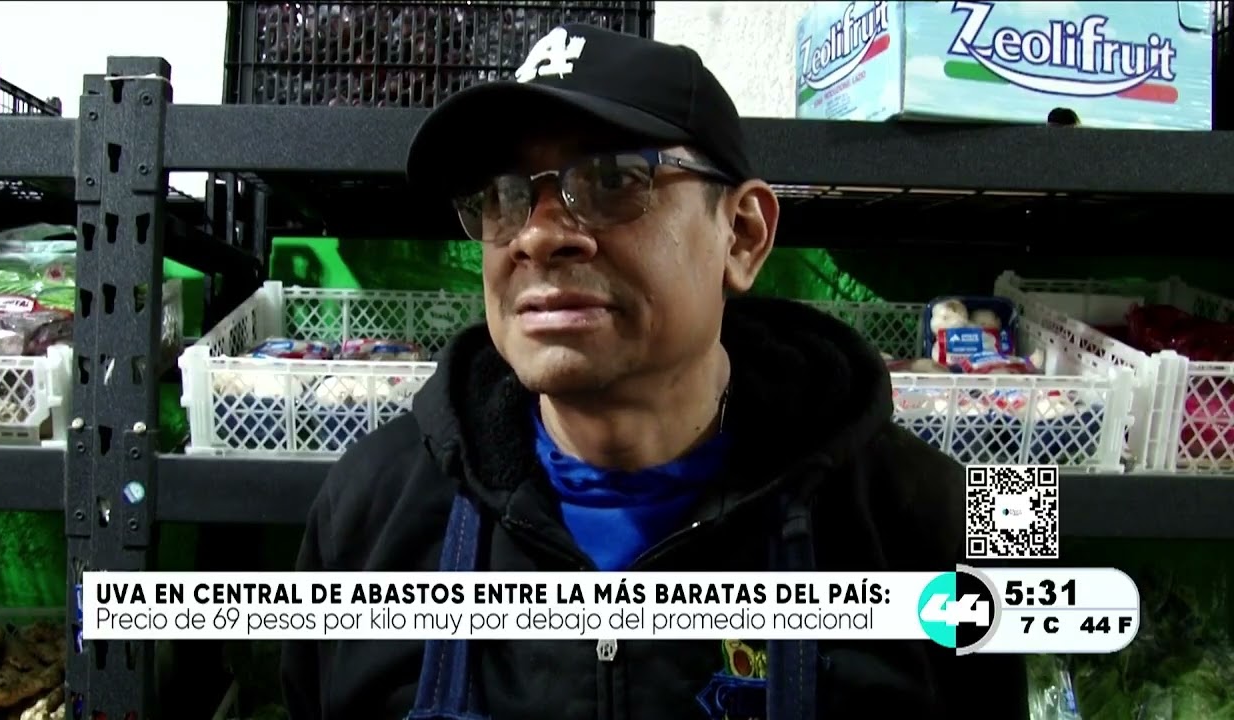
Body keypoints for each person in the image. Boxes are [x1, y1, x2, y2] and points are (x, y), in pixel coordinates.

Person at [281, 23, 1030, 720]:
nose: (536, 236)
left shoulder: (941, 521)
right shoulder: (368, 509)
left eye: (611, 180)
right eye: (503, 197)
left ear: (742, 236)